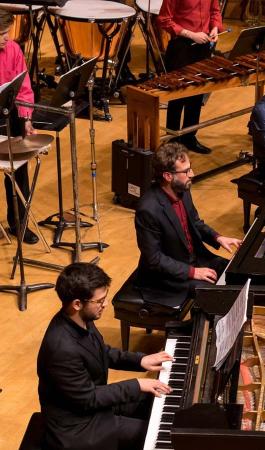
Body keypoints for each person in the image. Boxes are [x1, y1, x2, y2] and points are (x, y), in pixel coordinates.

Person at [37, 263, 173, 450]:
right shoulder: (61, 349)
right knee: (154, 434)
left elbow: (102, 351)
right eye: (100, 301)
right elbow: (88, 398)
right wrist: (137, 384)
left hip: (91, 405)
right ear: (77, 304)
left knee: (158, 399)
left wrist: (140, 360)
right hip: (77, 425)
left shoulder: (80, 319)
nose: (106, 304)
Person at [134, 142, 241, 306]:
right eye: (186, 171)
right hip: (166, 276)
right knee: (217, 296)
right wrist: (192, 272)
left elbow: (195, 222)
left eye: (190, 168)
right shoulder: (148, 210)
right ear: (168, 176)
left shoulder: (182, 189)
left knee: (237, 273)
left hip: (195, 258)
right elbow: (154, 259)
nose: (192, 174)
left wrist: (218, 237)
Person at [157, 0, 223, 154]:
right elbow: (164, 19)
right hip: (181, 47)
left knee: (197, 94)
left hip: (202, 47)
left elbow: (215, 11)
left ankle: (189, 137)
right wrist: (191, 34)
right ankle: (172, 139)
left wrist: (214, 28)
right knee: (177, 96)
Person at [0, 9, 38, 244]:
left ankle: (18, 224)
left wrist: (26, 119)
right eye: (2, 33)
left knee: (18, 169)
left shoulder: (12, 49)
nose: (7, 37)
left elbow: (23, 87)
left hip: (9, 114)